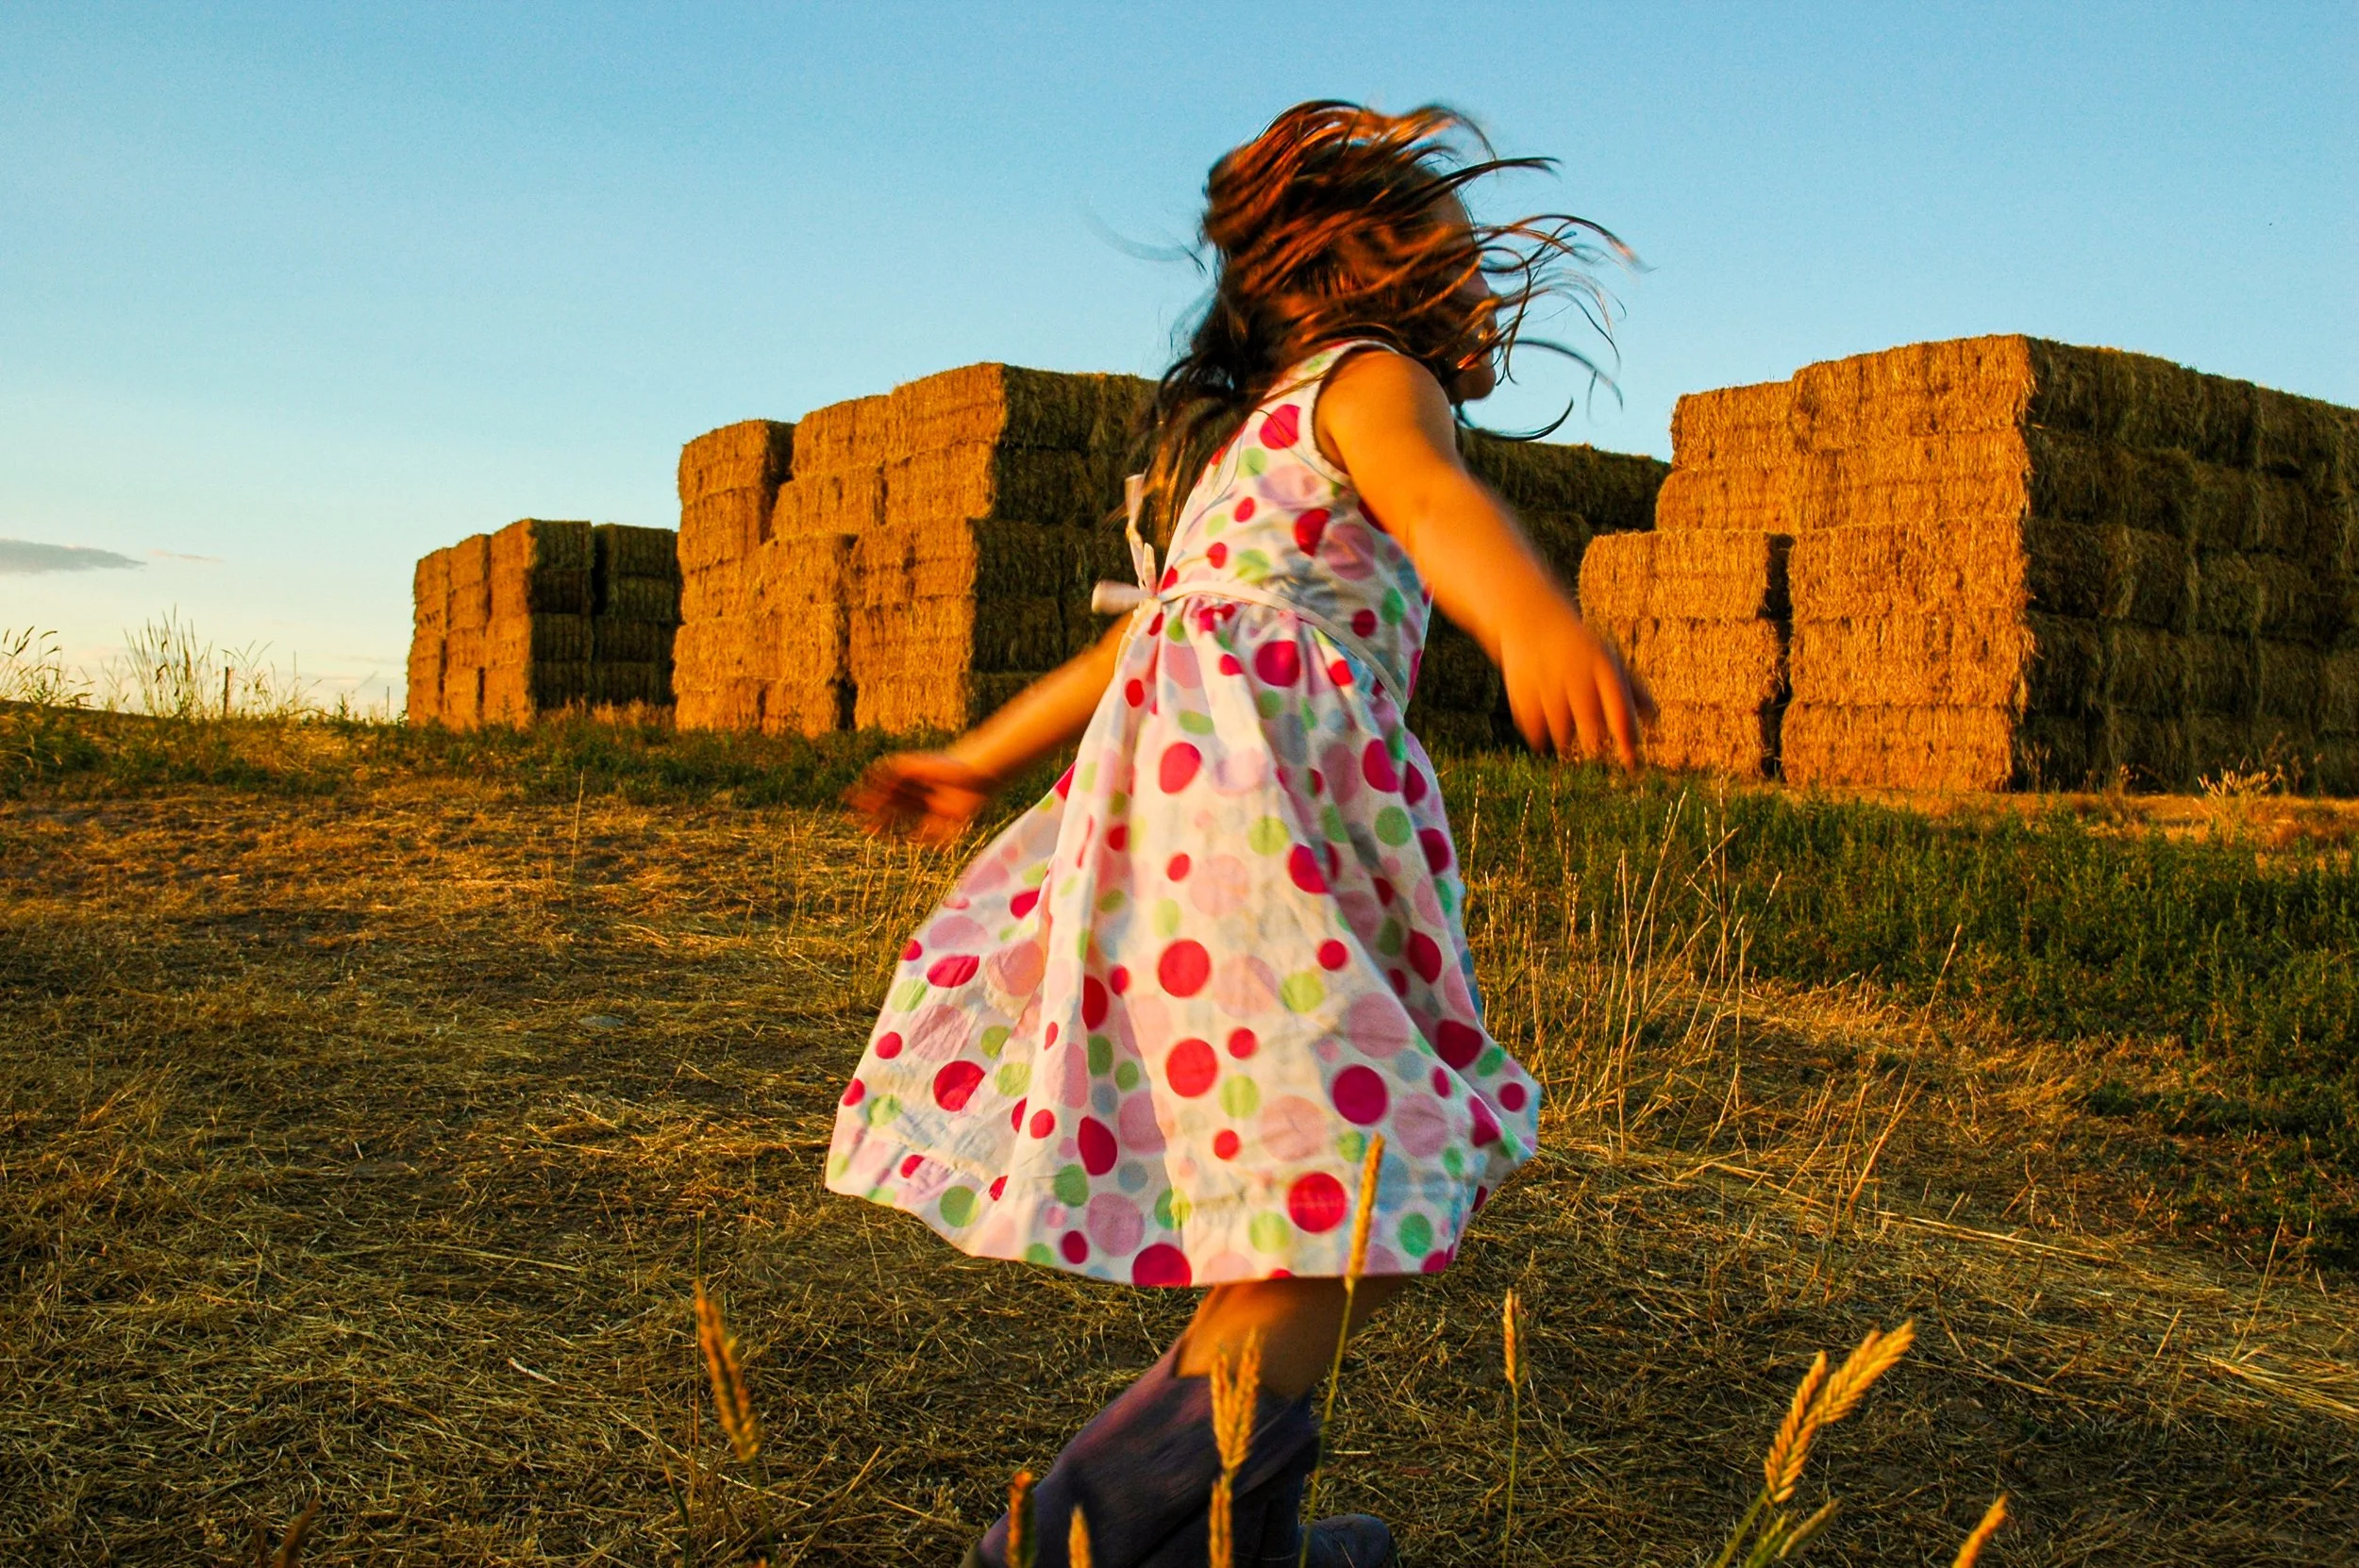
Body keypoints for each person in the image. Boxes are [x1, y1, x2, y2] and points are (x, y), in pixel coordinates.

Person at [831, 101, 1649, 1568]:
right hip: (1270, 818)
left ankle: (1236, 1533)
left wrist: (972, 755)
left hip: (1196, 831)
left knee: (1310, 1198)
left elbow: (1133, 647)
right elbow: (1432, 499)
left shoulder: (1238, 464)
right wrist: (1530, 615)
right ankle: (1093, 1520)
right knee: (1368, 1187)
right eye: (1450, 261)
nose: (1472, 293)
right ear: (1356, 274)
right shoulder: (1373, 382)